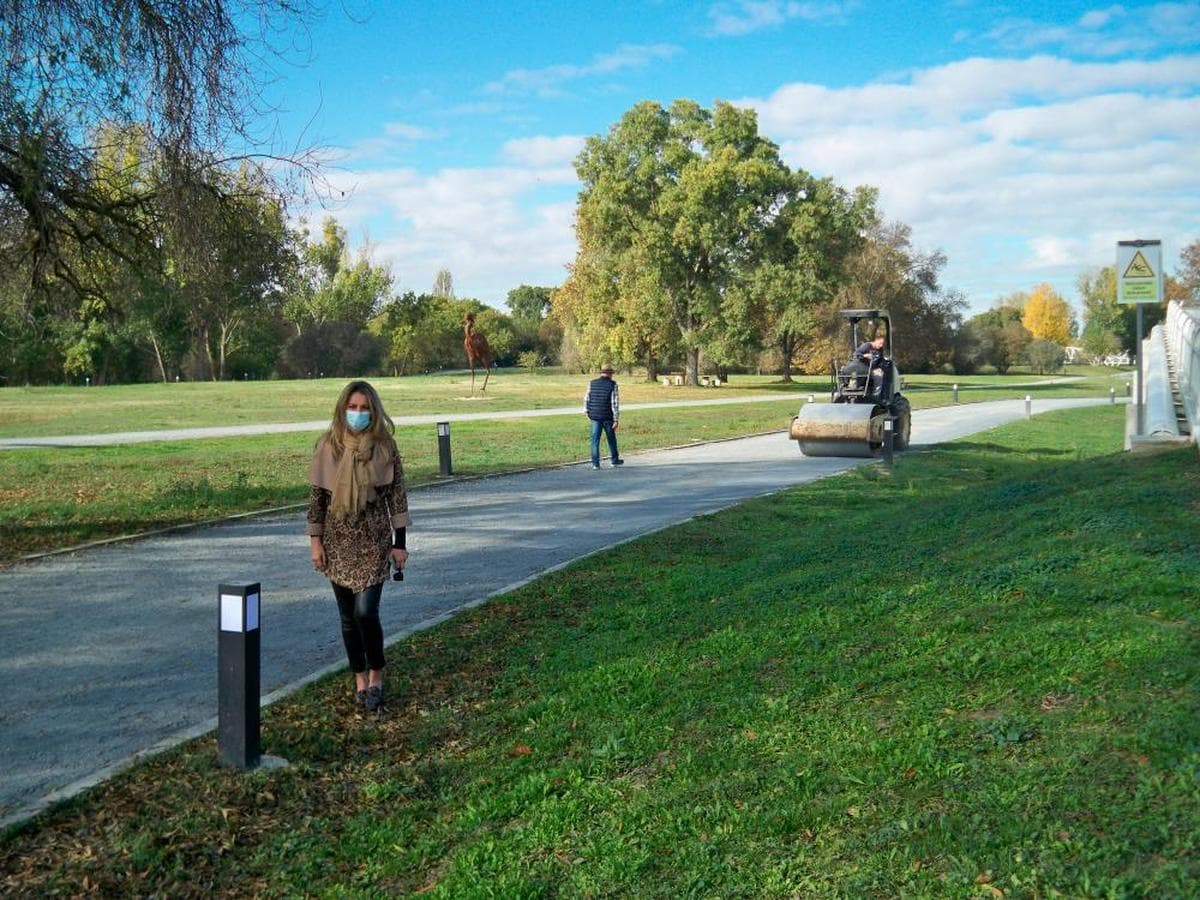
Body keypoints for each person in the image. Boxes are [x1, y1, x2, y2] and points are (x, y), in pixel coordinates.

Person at [307, 380, 410, 712]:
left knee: (366, 613)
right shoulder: (328, 447)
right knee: (348, 617)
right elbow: (317, 500)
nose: (358, 413)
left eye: (364, 408)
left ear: (374, 410)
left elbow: (397, 497)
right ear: (342, 409)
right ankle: (360, 678)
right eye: (352, 407)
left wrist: (400, 544)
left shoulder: (385, 447)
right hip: (338, 542)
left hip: (374, 540)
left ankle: (377, 673)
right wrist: (315, 542)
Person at [584, 364, 624, 469]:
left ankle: (595, 463)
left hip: (594, 416)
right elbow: (614, 403)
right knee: (611, 438)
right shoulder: (613, 385)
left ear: (601, 373)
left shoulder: (591, 383)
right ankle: (614, 460)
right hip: (607, 416)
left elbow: (586, 399)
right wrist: (616, 419)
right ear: (610, 374)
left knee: (595, 440)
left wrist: (587, 412)